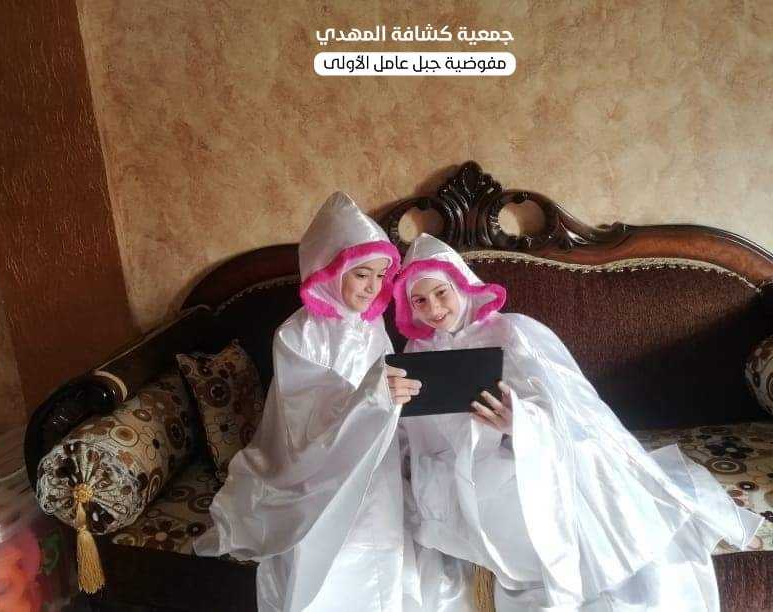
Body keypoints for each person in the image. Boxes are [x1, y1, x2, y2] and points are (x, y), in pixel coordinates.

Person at [393, 233, 764, 611]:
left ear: (461, 284)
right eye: (419, 300)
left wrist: (520, 421)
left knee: (533, 498)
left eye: (441, 292)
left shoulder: (513, 331)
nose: (434, 307)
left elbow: (569, 401)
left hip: (532, 448)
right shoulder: (417, 352)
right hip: (459, 464)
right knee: (460, 499)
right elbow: (417, 429)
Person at [194, 192, 421, 611]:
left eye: (379, 276)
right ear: (328, 269)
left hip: (373, 456)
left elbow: (386, 385)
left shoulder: (372, 328)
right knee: (325, 541)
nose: (372, 287)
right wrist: (372, 397)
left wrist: (390, 399)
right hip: (314, 463)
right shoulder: (297, 335)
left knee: (382, 530)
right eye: (361, 275)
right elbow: (304, 412)